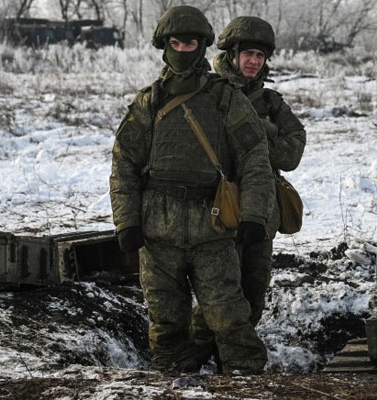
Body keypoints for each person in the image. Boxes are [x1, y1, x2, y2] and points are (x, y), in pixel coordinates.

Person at [109, 6, 274, 375]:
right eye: (176, 42)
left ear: (203, 47)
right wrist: (126, 222)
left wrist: (253, 214)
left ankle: (248, 384)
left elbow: (254, 158)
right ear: (164, 46)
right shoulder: (148, 102)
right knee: (166, 324)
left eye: (192, 43)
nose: (184, 50)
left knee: (230, 319)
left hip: (213, 229)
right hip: (158, 231)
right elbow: (124, 164)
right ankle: (171, 383)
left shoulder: (226, 99)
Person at [190, 16, 306, 371]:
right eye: (247, 54)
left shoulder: (271, 102)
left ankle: (228, 365)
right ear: (232, 54)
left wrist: (261, 137)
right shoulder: (207, 92)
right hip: (218, 208)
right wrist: (260, 137)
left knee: (253, 293)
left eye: (260, 55)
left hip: (262, 210)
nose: (254, 61)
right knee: (220, 296)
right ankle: (191, 361)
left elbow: (292, 152)